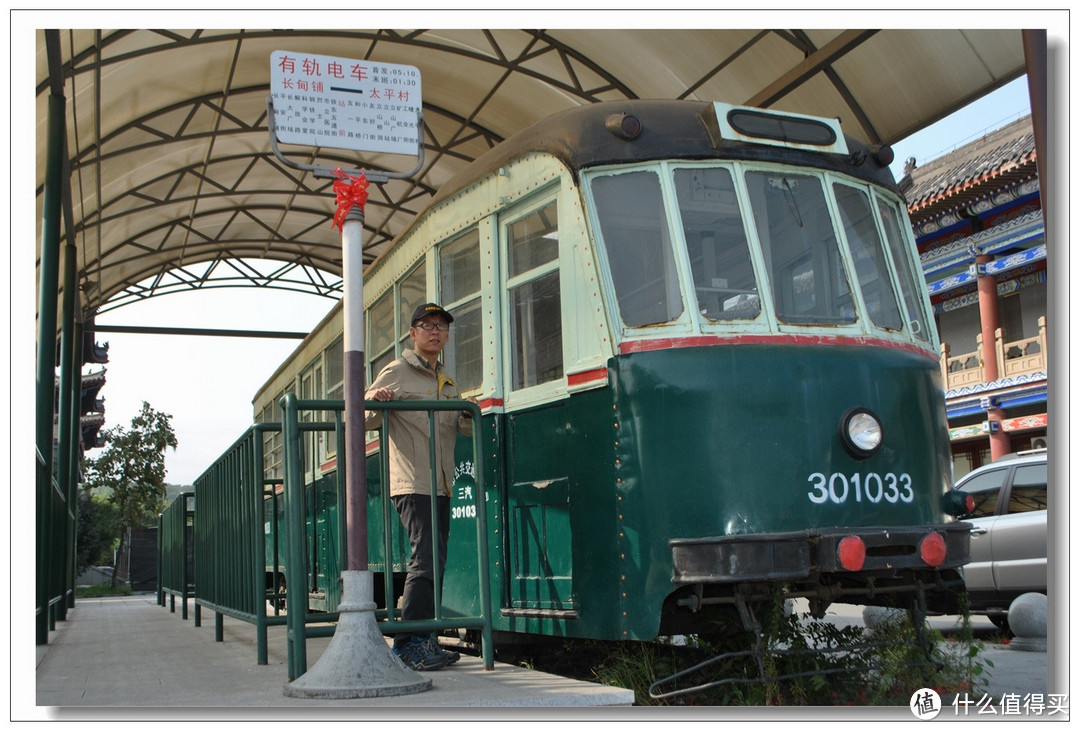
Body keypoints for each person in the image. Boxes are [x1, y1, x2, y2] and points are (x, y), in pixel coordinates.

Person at [365, 302, 476, 671]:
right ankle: (408, 642)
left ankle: (424, 637)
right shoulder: (397, 371)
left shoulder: (446, 379)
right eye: (427, 325)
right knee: (424, 558)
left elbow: (464, 429)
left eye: (441, 326)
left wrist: (466, 411)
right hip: (412, 480)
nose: (435, 331)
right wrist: (375, 401)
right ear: (412, 334)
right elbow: (359, 417)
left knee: (435, 560)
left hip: (441, 483)